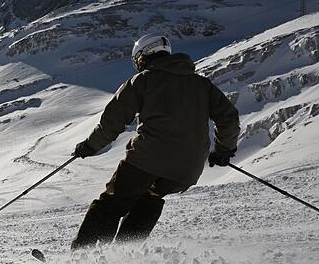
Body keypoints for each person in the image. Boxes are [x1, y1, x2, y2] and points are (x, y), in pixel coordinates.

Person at [70, 34, 240, 249]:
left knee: (113, 202)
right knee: (149, 198)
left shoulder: (143, 81)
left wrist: (89, 146)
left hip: (147, 158)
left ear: (142, 56)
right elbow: (228, 118)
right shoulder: (202, 84)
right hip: (187, 169)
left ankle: (82, 256)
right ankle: (124, 257)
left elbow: (112, 121)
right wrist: (224, 149)